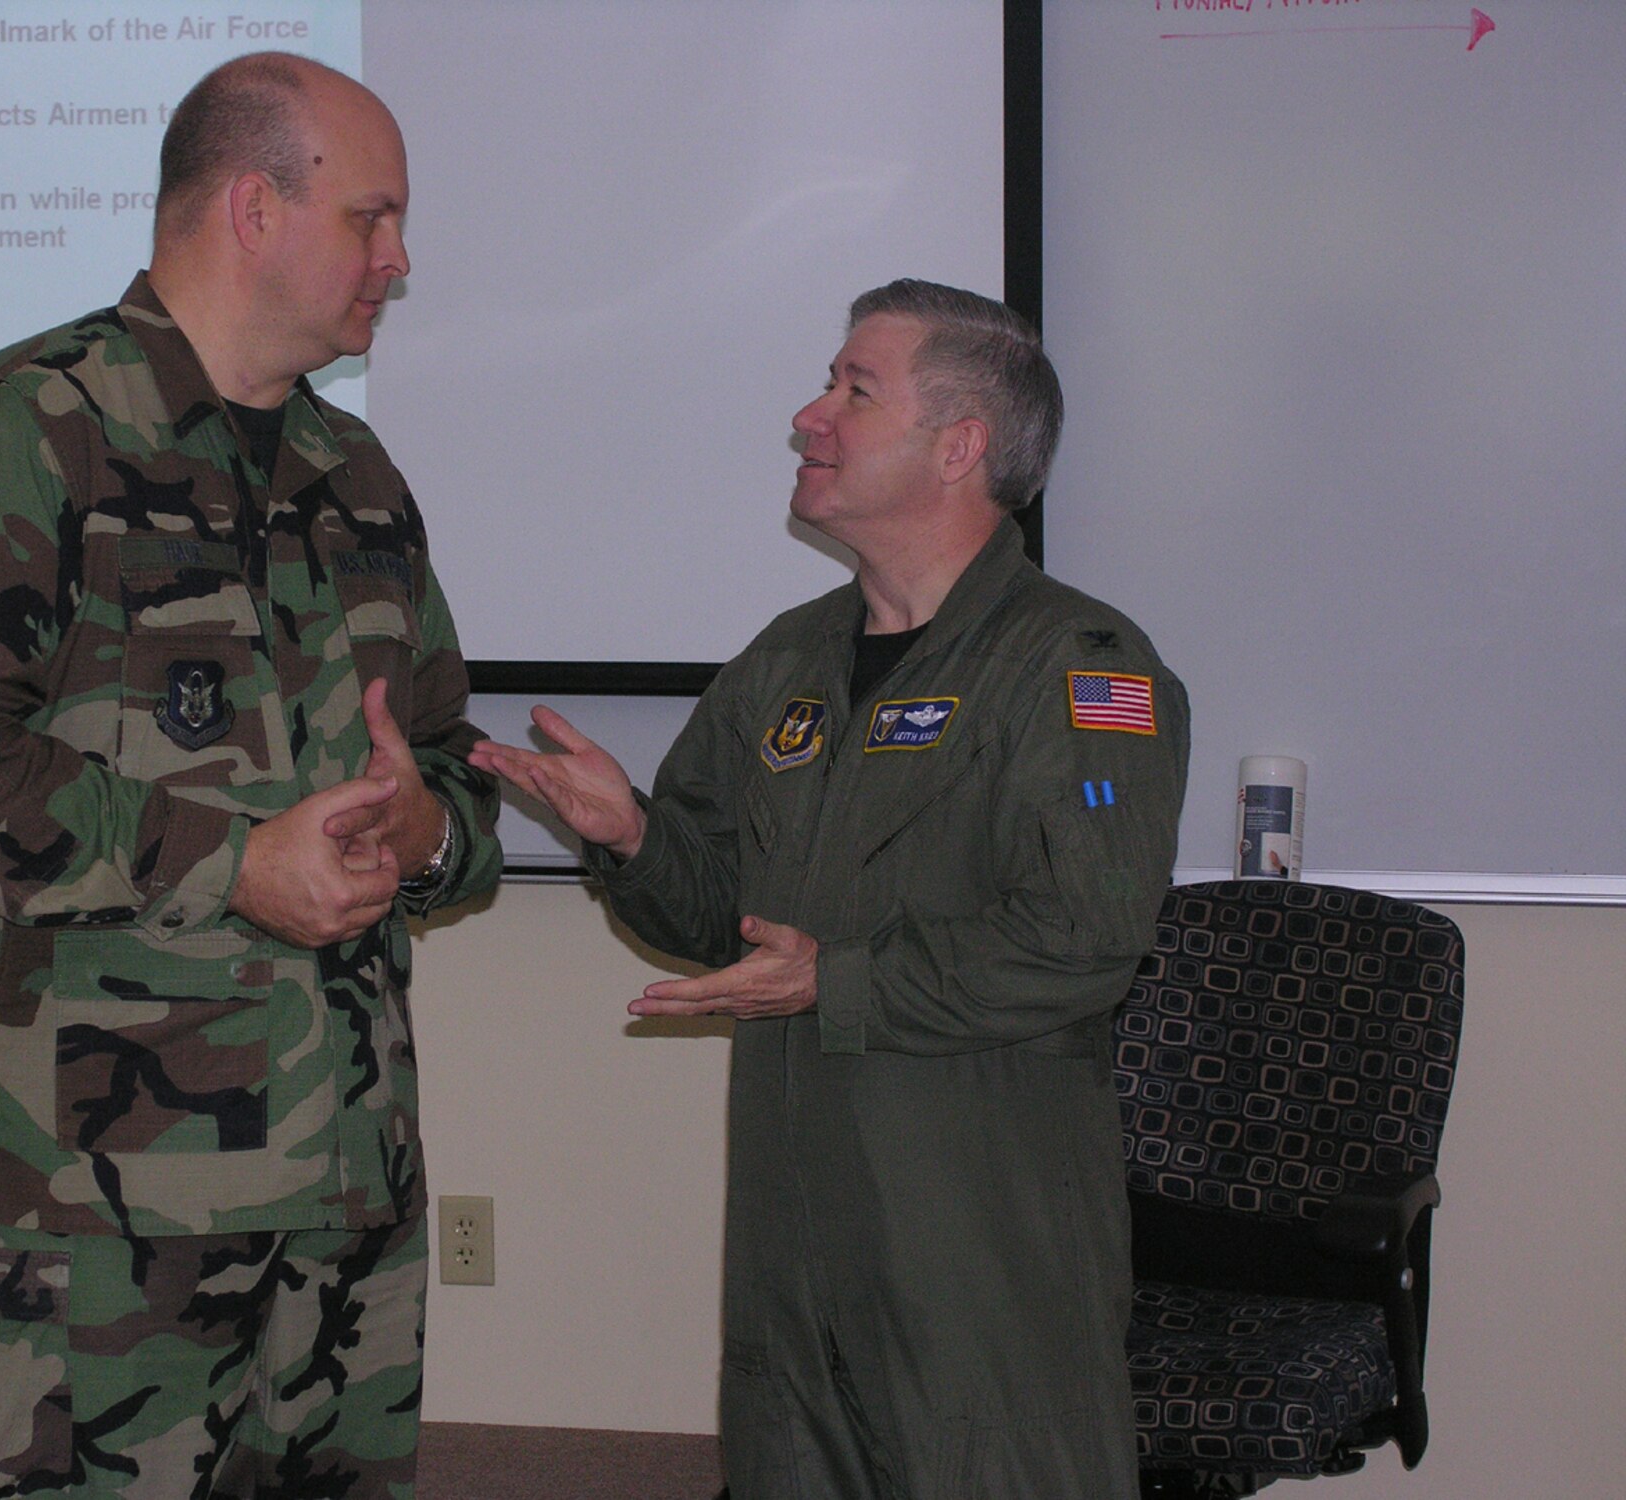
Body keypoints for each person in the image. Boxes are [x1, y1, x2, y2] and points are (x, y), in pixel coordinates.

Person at [0, 53, 501, 1499]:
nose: (399, 260)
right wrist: (233, 862)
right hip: (88, 1228)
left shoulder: (362, 479)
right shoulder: (27, 428)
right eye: (372, 219)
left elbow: (452, 771)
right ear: (255, 208)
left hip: (341, 1217)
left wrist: (432, 824)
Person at [471, 280, 1188, 1498]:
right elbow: (713, 921)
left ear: (958, 445)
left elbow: (1085, 935)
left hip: (974, 1242)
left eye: (854, 391)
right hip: (794, 1245)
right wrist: (632, 835)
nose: (810, 417)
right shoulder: (787, 660)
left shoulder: (1079, 668)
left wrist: (837, 979)